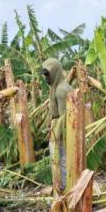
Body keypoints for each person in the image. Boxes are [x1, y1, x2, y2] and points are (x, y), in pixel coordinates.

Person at [42, 58, 73, 190]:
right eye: (44, 75)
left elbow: (64, 118)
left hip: (63, 133)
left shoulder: (61, 90)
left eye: (48, 74)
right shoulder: (59, 86)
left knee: (61, 162)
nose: (46, 78)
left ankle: (64, 189)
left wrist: (55, 134)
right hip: (60, 130)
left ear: (55, 72)